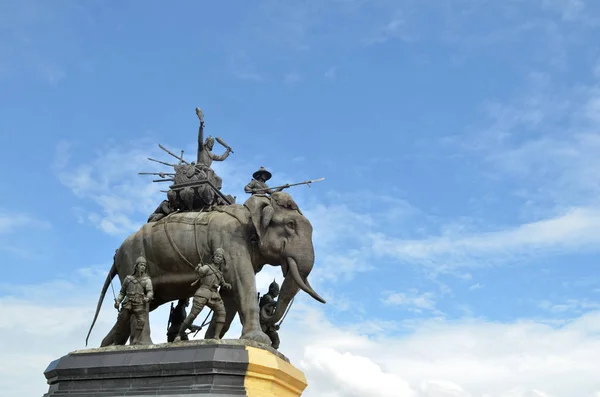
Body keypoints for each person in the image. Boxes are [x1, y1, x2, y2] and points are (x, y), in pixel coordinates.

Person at [174, 248, 232, 342]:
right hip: (203, 292)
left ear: (222, 260)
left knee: (222, 313)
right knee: (192, 315)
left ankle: (216, 336)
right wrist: (199, 268)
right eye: (217, 256)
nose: (218, 258)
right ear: (213, 258)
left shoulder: (220, 273)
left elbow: (223, 283)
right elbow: (201, 271)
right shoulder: (207, 267)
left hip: (214, 295)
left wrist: (226, 285)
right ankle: (179, 335)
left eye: (220, 257)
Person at [113, 256, 154, 345]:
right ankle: (116, 341)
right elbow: (122, 292)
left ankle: (136, 340)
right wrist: (118, 301)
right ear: (136, 266)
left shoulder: (147, 280)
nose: (142, 267)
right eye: (141, 265)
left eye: (144, 265)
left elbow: (150, 292)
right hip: (128, 302)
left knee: (141, 321)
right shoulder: (128, 279)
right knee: (121, 322)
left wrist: (147, 298)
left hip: (139, 303)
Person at [259, 280, 281, 349]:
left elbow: (270, 316)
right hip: (262, 324)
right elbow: (273, 302)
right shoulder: (267, 297)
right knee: (259, 338)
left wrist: (274, 326)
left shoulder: (271, 299)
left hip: (269, 326)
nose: (278, 293)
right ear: (272, 290)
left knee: (276, 341)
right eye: (277, 290)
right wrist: (282, 302)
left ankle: (269, 352)